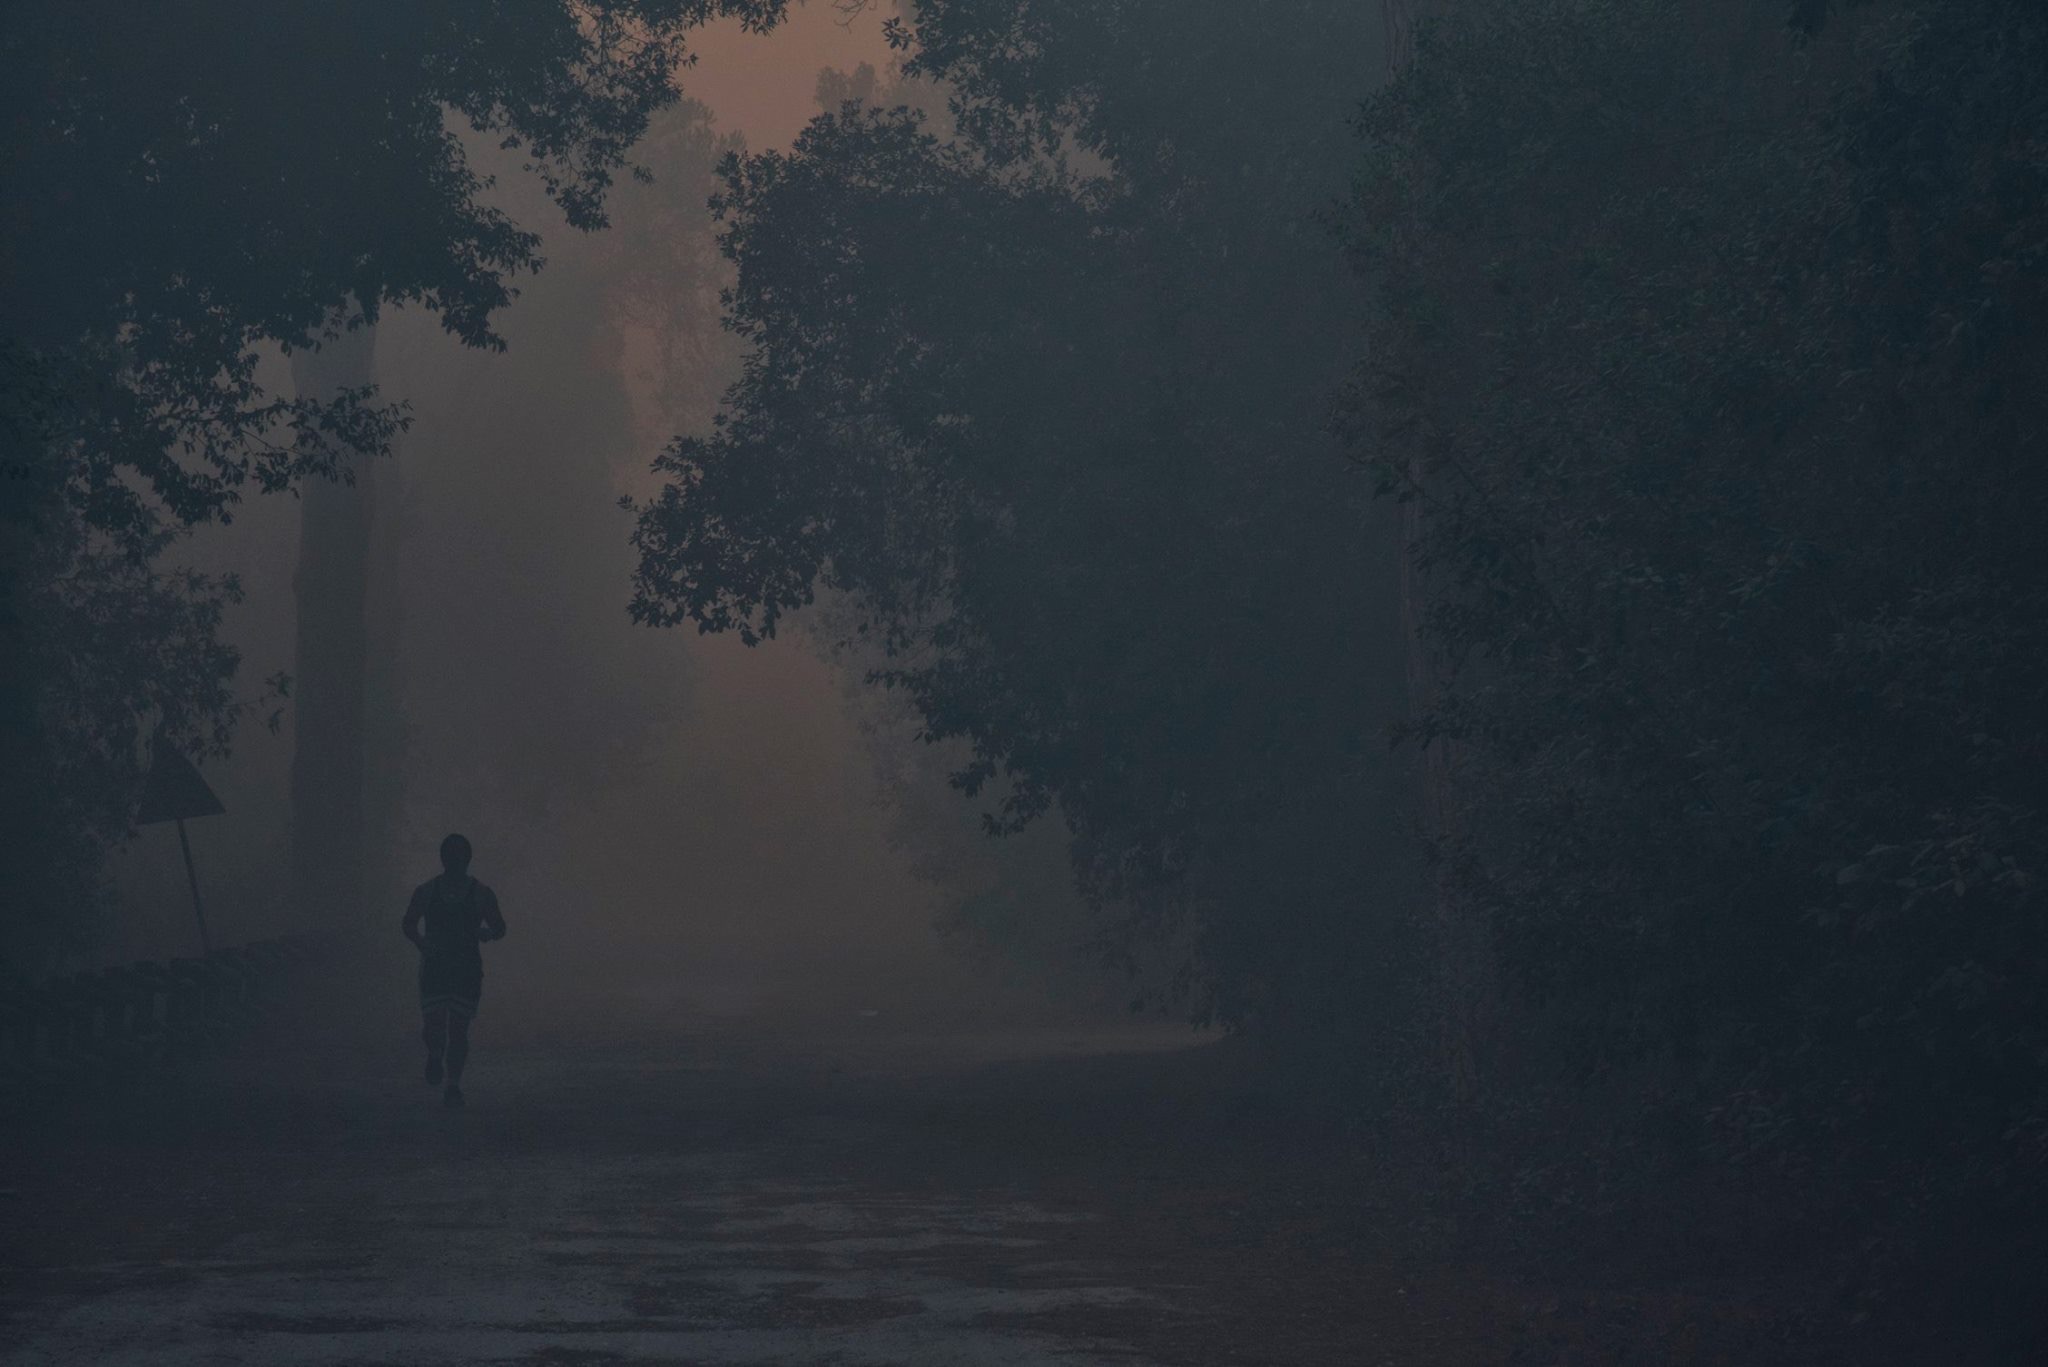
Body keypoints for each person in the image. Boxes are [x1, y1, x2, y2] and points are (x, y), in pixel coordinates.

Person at [401, 833, 505, 1106]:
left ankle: (453, 1084)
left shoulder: (482, 893)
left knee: (458, 1030)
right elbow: (408, 924)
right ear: (444, 859)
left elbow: (500, 927)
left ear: (467, 860)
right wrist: (422, 944)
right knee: (435, 1026)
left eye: (459, 857)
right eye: (452, 857)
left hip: (466, 969)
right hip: (436, 966)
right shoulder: (426, 891)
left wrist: (488, 933)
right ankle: (436, 1055)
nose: (455, 862)